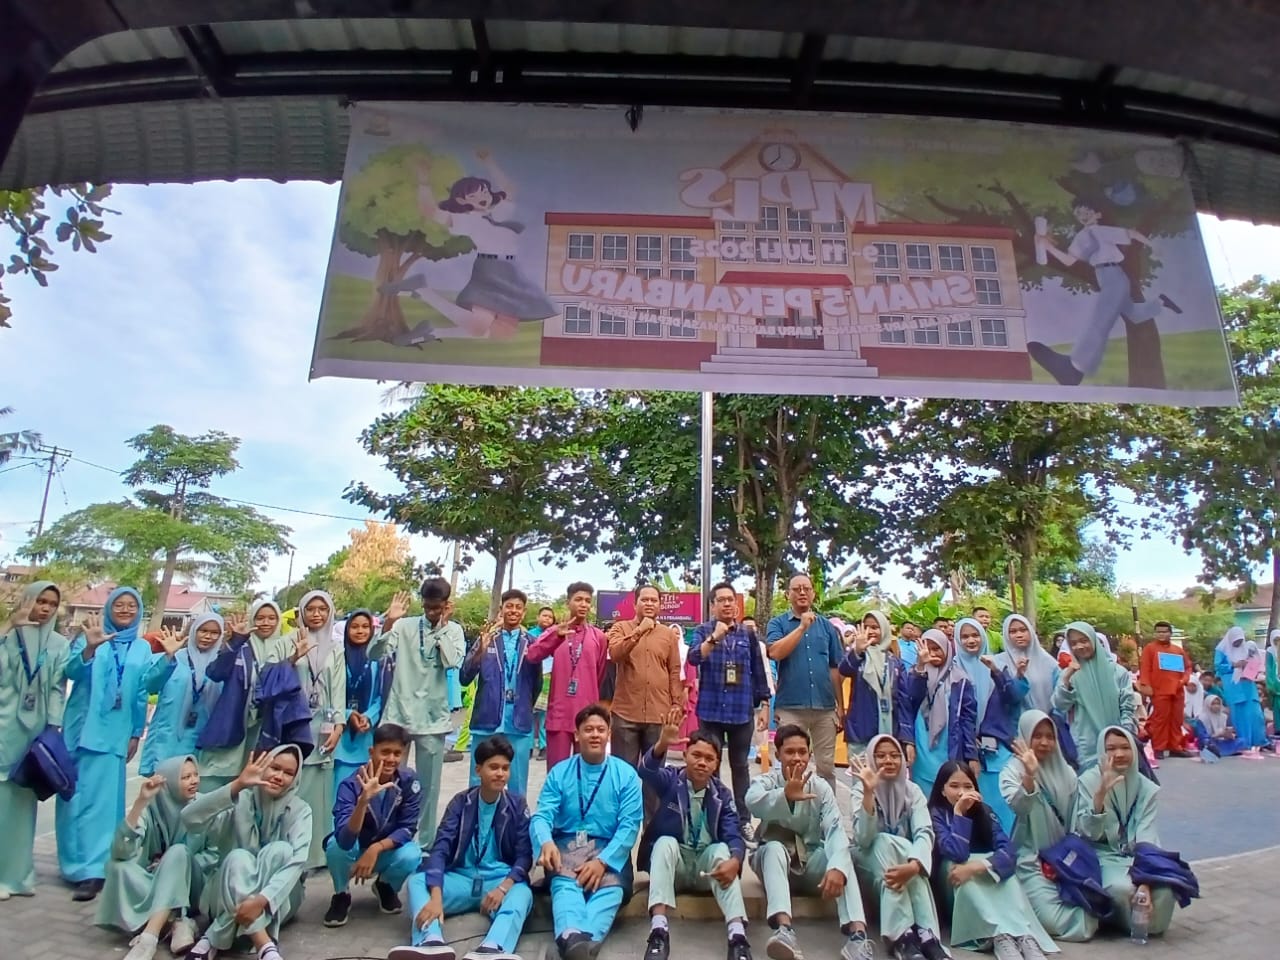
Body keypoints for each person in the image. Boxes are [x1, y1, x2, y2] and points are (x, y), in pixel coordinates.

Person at [58, 587, 170, 901]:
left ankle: (94, 870)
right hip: (81, 731)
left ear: (138, 612)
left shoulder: (141, 648)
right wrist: (89, 650)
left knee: (104, 806)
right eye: (118, 605)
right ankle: (73, 865)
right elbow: (71, 672)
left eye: (130, 605)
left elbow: (146, 688)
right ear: (109, 609)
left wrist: (136, 732)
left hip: (114, 735)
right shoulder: (90, 636)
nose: (124, 610)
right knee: (73, 802)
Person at [393, 735, 533, 960]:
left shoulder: (517, 805)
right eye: (494, 767)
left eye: (505, 768)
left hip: (496, 882)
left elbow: (524, 857)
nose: (500, 774)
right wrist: (436, 897)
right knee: (418, 882)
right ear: (478, 770)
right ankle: (430, 941)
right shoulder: (461, 802)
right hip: (461, 879)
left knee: (523, 893)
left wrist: (503, 888)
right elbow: (440, 849)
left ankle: (493, 947)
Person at [747, 724, 872, 960]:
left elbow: (835, 829)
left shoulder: (821, 788)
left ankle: (857, 937)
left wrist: (836, 868)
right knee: (773, 848)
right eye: (790, 752)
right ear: (778, 755)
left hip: (810, 859)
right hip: (773, 862)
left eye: (802, 752)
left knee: (842, 861)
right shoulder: (767, 781)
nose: (797, 758)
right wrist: (784, 795)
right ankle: (784, 930)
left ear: (810, 755)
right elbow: (752, 802)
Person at [637, 707, 751, 960]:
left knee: (723, 850)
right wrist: (661, 745)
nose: (701, 762)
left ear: (716, 764)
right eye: (696, 755)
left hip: (706, 870)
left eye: (709, 758)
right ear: (685, 755)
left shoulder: (722, 794)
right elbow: (645, 772)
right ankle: (658, 932)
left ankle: (737, 937)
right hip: (674, 868)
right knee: (664, 842)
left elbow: (733, 834)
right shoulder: (671, 780)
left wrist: (735, 859)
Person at [1028, 197, 1180, 386]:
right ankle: (1160, 303)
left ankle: (1075, 368)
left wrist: (1153, 245)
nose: (1082, 216)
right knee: (1134, 314)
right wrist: (1048, 246)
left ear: (1097, 214)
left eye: (1087, 212)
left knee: (1099, 321)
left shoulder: (1099, 231)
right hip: (1105, 277)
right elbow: (1069, 260)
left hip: (1114, 275)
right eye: (1078, 213)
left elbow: (1130, 233)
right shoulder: (1082, 236)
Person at [531, 705, 643, 960]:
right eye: (588, 729)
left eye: (601, 730)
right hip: (566, 847)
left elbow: (629, 826)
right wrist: (545, 842)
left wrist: (603, 862)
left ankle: (570, 942)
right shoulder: (559, 773)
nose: (595, 735)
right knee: (564, 887)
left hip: (610, 850)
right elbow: (542, 816)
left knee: (611, 892)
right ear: (577, 735)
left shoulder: (626, 776)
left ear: (609, 736)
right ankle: (580, 945)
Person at [182, 746, 312, 960]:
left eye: (288, 773)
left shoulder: (300, 810)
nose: (279, 777)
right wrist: (237, 785)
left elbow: (297, 862)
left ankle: (213, 936)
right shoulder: (240, 800)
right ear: (262, 767)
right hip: (226, 892)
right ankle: (264, 945)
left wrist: (261, 900)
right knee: (238, 857)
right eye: (275, 768)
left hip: (276, 902)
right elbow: (189, 818)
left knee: (281, 851)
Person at [926, 760, 1056, 960]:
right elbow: (957, 853)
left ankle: (1022, 934)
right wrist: (959, 814)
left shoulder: (985, 812)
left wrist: (979, 866)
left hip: (977, 871)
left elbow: (1008, 852)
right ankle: (997, 936)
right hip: (953, 882)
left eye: (968, 786)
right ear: (942, 790)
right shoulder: (935, 814)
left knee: (1008, 876)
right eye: (954, 786)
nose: (962, 792)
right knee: (959, 868)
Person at [370, 579, 467, 844]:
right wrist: (389, 622)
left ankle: (423, 843)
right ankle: (386, 837)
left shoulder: (454, 630)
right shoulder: (404, 625)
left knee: (428, 787)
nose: (431, 613)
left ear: (446, 605)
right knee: (389, 782)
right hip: (399, 715)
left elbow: (452, 662)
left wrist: (442, 628)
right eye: (427, 607)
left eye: (437, 608)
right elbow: (374, 653)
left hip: (433, 719)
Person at [0, 580, 70, 900]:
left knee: (22, 803)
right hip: (4, 727)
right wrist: (7, 627)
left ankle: (16, 876)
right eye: (40, 601)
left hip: (35, 732)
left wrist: (53, 726)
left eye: (51, 604)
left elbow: (57, 688)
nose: (44, 608)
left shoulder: (58, 644)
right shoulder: (10, 636)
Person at [999, 712, 1096, 942]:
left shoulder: (1067, 773)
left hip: (1063, 860)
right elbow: (1019, 807)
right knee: (1052, 919)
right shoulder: (1011, 772)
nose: (1044, 742)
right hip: (1030, 860)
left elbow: (1077, 821)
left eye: (1050, 736)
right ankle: (1092, 920)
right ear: (1025, 736)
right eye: (1037, 736)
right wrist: (1030, 775)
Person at [96, 755, 203, 960]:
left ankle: (149, 938)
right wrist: (140, 802)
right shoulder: (153, 808)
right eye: (185, 777)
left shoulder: (203, 805)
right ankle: (175, 921)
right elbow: (121, 852)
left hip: (193, 887)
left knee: (178, 852)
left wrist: (174, 866)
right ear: (169, 782)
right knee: (117, 867)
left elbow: (214, 855)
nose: (194, 781)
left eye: (195, 775)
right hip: (156, 880)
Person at [1073, 727, 1176, 937]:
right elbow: (1088, 834)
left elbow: (1147, 836)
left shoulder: (1145, 788)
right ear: (1102, 752)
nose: (1119, 754)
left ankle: (1140, 922)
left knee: (1166, 890)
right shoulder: (1088, 782)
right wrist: (1100, 795)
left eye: (1125, 747)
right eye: (1111, 748)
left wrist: (1145, 881)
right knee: (1122, 890)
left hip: (1139, 858)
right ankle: (1120, 920)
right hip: (1103, 856)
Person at [847, 735, 943, 960]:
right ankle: (913, 936)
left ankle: (915, 937)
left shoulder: (913, 792)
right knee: (883, 841)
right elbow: (864, 840)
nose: (888, 761)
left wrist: (913, 866)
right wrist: (869, 793)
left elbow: (924, 832)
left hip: (900, 872)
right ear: (871, 759)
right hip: (868, 866)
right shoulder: (860, 790)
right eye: (880, 756)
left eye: (894, 755)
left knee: (912, 862)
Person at [690, 581, 772, 831]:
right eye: (722, 600)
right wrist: (715, 637)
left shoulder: (748, 635)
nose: (728, 604)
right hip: (711, 710)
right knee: (709, 766)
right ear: (712, 605)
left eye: (731, 600)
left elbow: (758, 670)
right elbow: (694, 657)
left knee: (740, 766)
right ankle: (712, 818)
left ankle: (743, 820)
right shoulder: (703, 630)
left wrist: (765, 704)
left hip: (740, 712)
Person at [323, 723, 423, 927]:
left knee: (413, 854)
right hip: (354, 852)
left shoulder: (408, 781)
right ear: (371, 751)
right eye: (385, 752)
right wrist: (363, 801)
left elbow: (408, 828)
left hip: (383, 852)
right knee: (335, 846)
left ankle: (385, 885)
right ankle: (341, 893)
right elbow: (345, 838)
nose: (392, 759)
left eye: (397, 753)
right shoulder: (351, 784)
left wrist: (376, 849)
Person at [606, 583, 684, 815]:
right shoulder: (620, 627)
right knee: (624, 777)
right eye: (645, 600)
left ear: (660, 605)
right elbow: (615, 654)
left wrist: (677, 704)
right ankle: (621, 833)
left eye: (654, 600)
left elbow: (674, 671)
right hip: (625, 714)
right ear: (635, 603)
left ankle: (651, 837)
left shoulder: (669, 635)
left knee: (654, 778)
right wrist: (639, 631)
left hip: (659, 715)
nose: (649, 604)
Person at [765, 574, 845, 793]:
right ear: (788, 594)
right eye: (796, 589)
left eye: (806, 589)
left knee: (826, 767)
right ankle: (789, 811)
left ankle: (826, 815)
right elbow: (774, 652)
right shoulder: (778, 623)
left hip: (825, 707)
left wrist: (841, 707)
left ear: (813, 593)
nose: (802, 592)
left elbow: (834, 668)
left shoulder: (827, 627)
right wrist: (800, 628)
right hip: (791, 707)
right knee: (790, 763)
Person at [460, 588, 543, 798]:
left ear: (524, 613)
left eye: (518, 608)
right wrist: (480, 651)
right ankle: (474, 825)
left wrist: (524, 705)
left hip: (518, 721)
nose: (513, 611)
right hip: (487, 719)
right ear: (501, 609)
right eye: (509, 606)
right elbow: (464, 676)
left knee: (517, 784)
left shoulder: (532, 643)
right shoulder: (487, 638)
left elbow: (537, 683)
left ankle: (516, 827)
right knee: (478, 781)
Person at [199, 601, 289, 792]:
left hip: (265, 727)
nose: (266, 623)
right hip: (234, 722)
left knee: (253, 787)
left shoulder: (285, 648)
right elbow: (215, 673)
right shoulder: (241, 645)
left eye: (271, 618)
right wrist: (235, 641)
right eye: (260, 617)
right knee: (217, 784)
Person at [286, 590, 345, 870]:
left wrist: (338, 725)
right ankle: (293, 851)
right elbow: (274, 679)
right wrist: (291, 658)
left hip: (324, 725)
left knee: (320, 793)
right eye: (311, 609)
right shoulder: (289, 641)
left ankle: (318, 854)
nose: (317, 614)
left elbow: (338, 689)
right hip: (295, 726)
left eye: (322, 609)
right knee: (293, 788)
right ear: (302, 612)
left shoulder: (336, 647)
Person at [525, 583, 608, 768]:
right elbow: (532, 655)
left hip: (587, 715)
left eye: (587, 601)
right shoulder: (555, 632)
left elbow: (600, 674)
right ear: (567, 602)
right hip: (560, 713)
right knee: (557, 771)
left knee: (587, 770)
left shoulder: (599, 637)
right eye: (578, 599)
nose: (584, 604)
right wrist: (556, 636)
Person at [952, 618, 1019, 833]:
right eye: (965, 636)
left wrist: (996, 673)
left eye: (975, 635)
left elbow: (1013, 698)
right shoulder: (952, 669)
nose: (971, 640)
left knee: (1001, 803)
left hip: (997, 748)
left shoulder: (998, 664)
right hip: (965, 749)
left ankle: (1005, 848)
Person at [140, 615, 226, 776]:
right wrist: (168, 657)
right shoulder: (175, 657)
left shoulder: (221, 664)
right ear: (193, 631)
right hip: (168, 738)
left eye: (215, 632)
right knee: (162, 788)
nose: (208, 636)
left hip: (200, 739)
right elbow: (150, 686)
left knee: (192, 790)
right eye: (203, 630)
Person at [900, 630, 977, 801]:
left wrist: (971, 755)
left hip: (949, 743)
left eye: (937, 649)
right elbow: (909, 701)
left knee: (948, 787)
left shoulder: (961, 679)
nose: (933, 653)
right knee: (921, 793)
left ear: (947, 649)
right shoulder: (914, 673)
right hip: (922, 741)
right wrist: (921, 666)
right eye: (929, 649)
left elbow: (967, 719)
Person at [1051, 622, 1138, 770]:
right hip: (1085, 744)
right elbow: (1059, 705)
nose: (1079, 646)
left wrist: (1124, 735)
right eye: (1073, 643)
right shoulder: (1069, 674)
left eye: (1084, 641)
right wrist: (1067, 679)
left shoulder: (1117, 672)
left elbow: (1127, 706)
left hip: (1117, 741)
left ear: (1094, 641)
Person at [838, 611, 903, 762]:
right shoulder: (858, 657)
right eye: (866, 627)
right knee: (860, 782)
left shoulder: (894, 662)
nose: (870, 631)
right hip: (860, 730)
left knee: (884, 783)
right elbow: (844, 670)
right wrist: (857, 651)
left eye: (875, 627)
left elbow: (902, 698)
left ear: (884, 630)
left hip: (888, 732)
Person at [334, 610, 385, 789]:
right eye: (354, 627)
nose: (360, 631)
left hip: (366, 735)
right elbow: (332, 693)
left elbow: (382, 693)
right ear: (347, 629)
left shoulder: (377, 661)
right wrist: (347, 714)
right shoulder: (338, 657)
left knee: (362, 791)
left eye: (365, 626)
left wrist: (369, 717)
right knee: (338, 792)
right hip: (340, 736)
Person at [1137, 622, 1193, 758]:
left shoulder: (1178, 650)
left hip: (1178, 690)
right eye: (1158, 632)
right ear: (1155, 633)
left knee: (1176, 719)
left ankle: (1175, 746)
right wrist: (1147, 686)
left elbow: (1188, 667)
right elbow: (1145, 669)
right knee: (1160, 720)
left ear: (1170, 633)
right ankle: (1159, 747)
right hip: (1159, 690)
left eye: (1164, 632)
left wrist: (1184, 680)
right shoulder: (1150, 649)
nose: (1161, 634)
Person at [1213, 627, 1268, 752]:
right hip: (1233, 684)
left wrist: (1251, 666)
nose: (1238, 643)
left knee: (1255, 713)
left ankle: (1259, 741)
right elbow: (1218, 666)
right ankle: (1243, 742)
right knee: (1239, 714)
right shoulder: (1222, 649)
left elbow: (1255, 662)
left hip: (1248, 683)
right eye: (1236, 641)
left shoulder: (1246, 648)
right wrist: (1234, 665)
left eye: (1240, 640)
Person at [994, 616, 1059, 718]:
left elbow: (1059, 697)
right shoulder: (999, 663)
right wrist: (1019, 676)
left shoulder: (1049, 663)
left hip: (1046, 725)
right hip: (1015, 727)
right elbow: (1006, 698)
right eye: (1013, 631)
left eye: (1023, 630)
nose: (1019, 635)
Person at [530, 606, 557, 761]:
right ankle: (527, 747)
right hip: (531, 675)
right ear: (538, 617)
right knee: (529, 712)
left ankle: (543, 746)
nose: (547, 619)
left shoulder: (555, 635)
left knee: (544, 713)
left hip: (547, 675)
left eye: (550, 617)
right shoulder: (529, 635)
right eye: (544, 616)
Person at [1267, 630, 1280, 724]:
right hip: (1275, 683)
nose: (1277, 642)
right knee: (1277, 705)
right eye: (1275, 639)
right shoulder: (1270, 651)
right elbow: (1268, 668)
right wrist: (1271, 685)